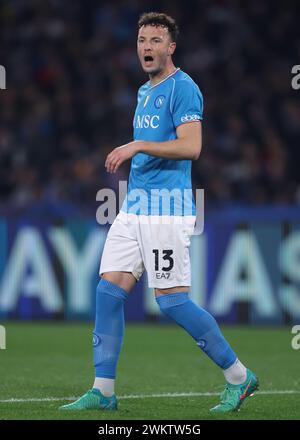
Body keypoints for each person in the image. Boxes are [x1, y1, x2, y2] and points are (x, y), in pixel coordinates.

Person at [60, 12, 259, 414]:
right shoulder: (144, 91)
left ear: (171, 47)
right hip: (134, 208)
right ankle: (103, 390)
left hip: (167, 209)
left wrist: (136, 146)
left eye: (155, 41)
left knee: (171, 302)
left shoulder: (184, 88)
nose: (146, 48)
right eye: (141, 40)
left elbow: (191, 147)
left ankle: (239, 377)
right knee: (108, 291)